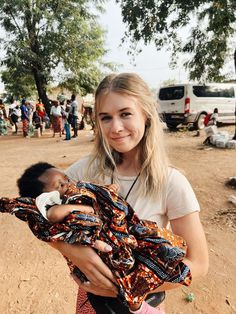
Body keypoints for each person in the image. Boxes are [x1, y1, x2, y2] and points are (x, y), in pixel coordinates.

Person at [43, 73, 209, 313]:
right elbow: (39, 211)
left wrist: (125, 286)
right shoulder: (85, 171)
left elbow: (198, 263)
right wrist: (69, 249)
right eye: (106, 117)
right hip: (92, 301)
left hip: (142, 304)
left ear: (146, 115)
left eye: (125, 114)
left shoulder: (171, 182)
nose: (116, 127)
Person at [1, 162, 192, 314]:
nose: (68, 183)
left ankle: (135, 299)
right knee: (123, 273)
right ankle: (135, 302)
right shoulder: (73, 184)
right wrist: (74, 230)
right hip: (96, 286)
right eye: (60, 184)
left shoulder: (171, 179)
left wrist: (108, 192)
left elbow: (100, 195)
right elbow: (48, 219)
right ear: (47, 197)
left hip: (140, 280)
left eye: (125, 114)